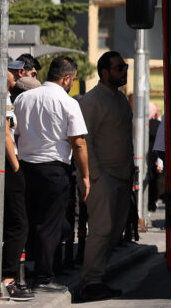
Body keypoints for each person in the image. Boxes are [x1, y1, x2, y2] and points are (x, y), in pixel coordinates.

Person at [14, 55, 90, 292]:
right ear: (66, 78)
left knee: (28, 222)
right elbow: (78, 143)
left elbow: (15, 134)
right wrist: (85, 176)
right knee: (50, 225)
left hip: (24, 167)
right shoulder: (68, 103)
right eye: (72, 80)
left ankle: (20, 271)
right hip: (54, 170)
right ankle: (44, 278)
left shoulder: (23, 98)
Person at [77, 51, 134, 301]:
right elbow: (83, 140)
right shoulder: (92, 100)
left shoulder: (121, 99)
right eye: (120, 67)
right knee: (102, 230)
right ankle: (92, 282)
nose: (124, 71)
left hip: (122, 176)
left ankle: (98, 276)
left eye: (125, 67)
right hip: (102, 177)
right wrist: (94, 175)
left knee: (115, 230)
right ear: (105, 72)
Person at [2, 58, 34, 302]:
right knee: (18, 224)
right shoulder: (1, 95)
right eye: (14, 71)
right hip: (8, 166)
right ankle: (8, 279)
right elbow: (5, 134)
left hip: (6, 165)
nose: (18, 75)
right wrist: (16, 168)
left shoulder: (7, 96)